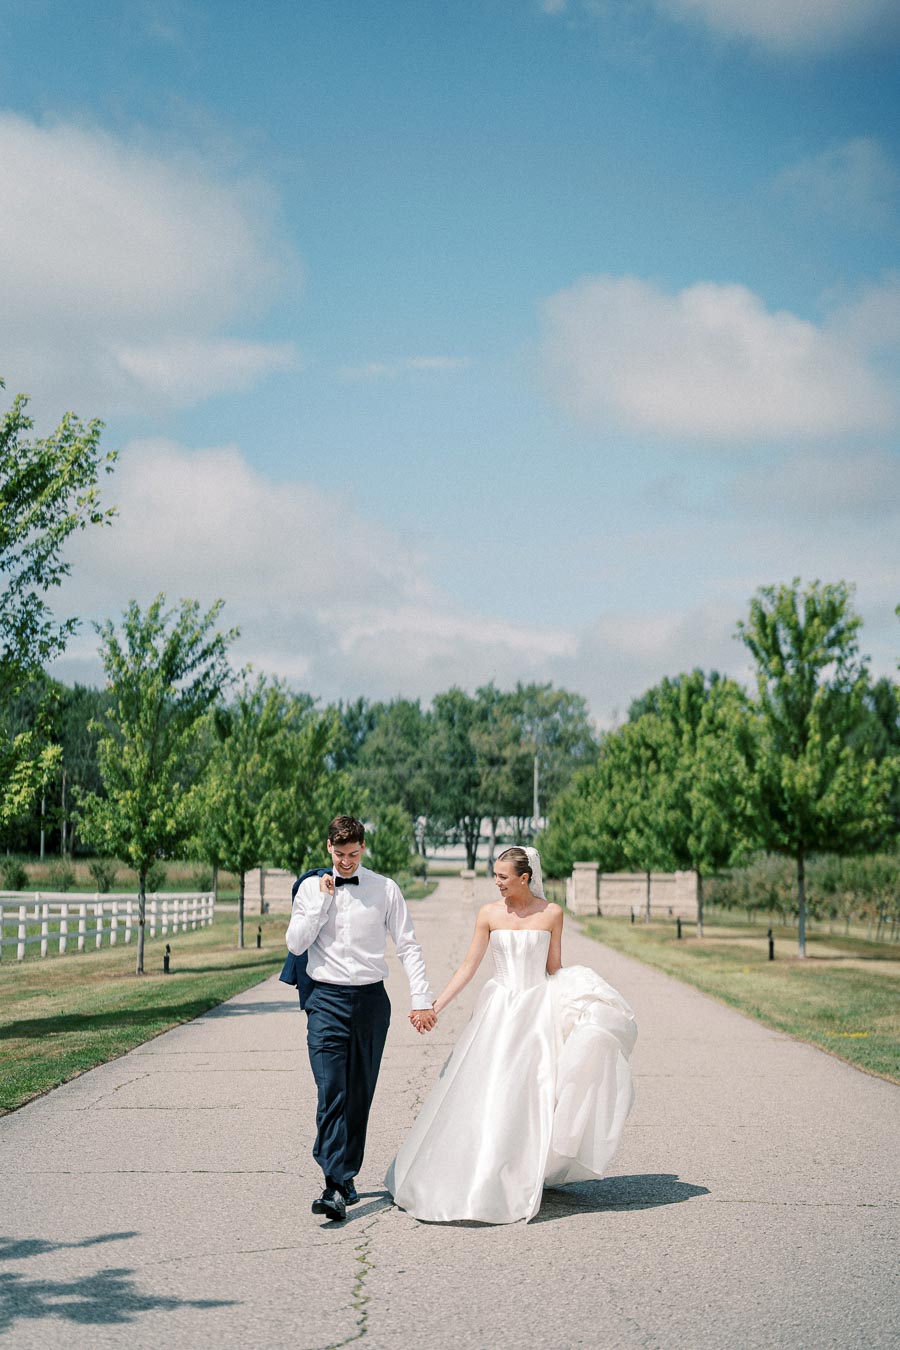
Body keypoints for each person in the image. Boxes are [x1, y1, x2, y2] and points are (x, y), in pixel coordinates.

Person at [385, 845, 637, 1224]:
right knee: (487, 1090)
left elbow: (555, 967)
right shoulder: (488, 914)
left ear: (525, 877)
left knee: (529, 1096)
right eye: (495, 876)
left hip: (537, 1014)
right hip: (499, 1010)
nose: (497, 883)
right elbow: (468, 968)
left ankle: (516, 1174)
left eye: (503, 877)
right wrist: (433, 1007)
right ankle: (475, 1174)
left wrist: (581, 1004)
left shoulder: (552, 914)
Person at [286, 815, 436, 1223]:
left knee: (358, 1093)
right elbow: (296, 942)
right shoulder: (308, 889)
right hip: (326, 1001)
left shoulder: (385, 890)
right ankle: (335, 1184)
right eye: (339, 854)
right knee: (331, 1089)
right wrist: (321, 901)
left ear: (364, 848)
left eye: (353, 854)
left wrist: (421, 998)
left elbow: (408, 946)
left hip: (371, 1003)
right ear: (328, 849)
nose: (347, 861)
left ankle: (344, 1175)